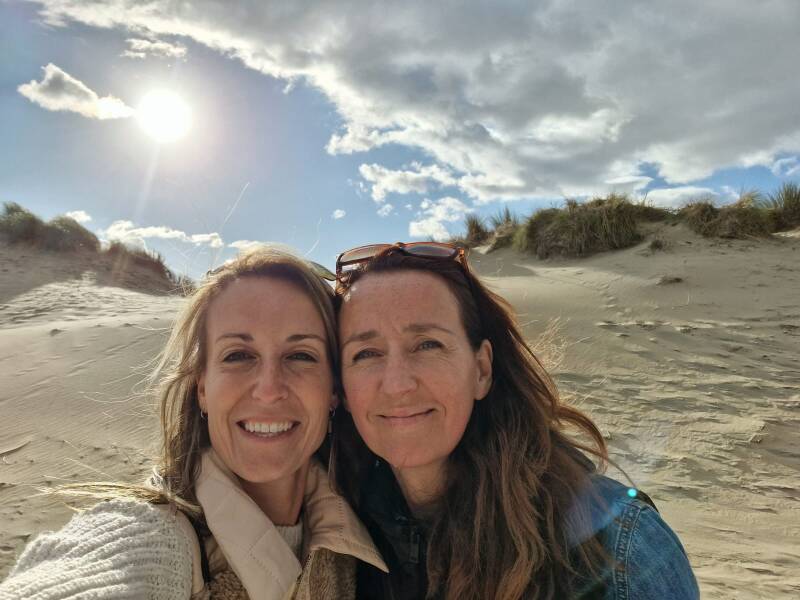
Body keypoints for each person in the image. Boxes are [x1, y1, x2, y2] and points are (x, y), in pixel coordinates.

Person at [0, 246, 386, 600]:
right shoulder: (155, 537)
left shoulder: (358, 536)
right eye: (238, 355)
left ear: (333, 390)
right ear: (202, 387)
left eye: (301, 355)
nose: (269, 390)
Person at [330, 242, 699, 600]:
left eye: (428, 344)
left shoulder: (619, 549)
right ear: (342, 389)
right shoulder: (333, 544)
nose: (397, 384)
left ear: (481, 370)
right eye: (366, 353)